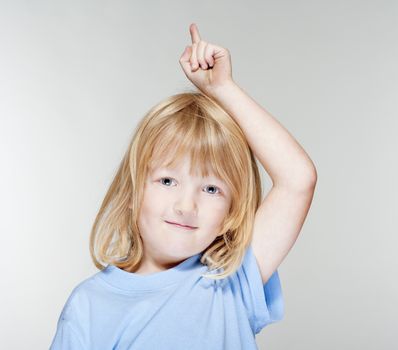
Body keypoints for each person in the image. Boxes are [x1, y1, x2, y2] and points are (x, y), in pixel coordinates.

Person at [50, 23, 317, 349]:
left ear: (231, 212)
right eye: (167, 181)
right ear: (133, 193)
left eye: (210, 189)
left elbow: (297, 179)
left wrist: (222, 89)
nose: (186, 205)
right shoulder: (89, 306)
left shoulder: (230, 280)